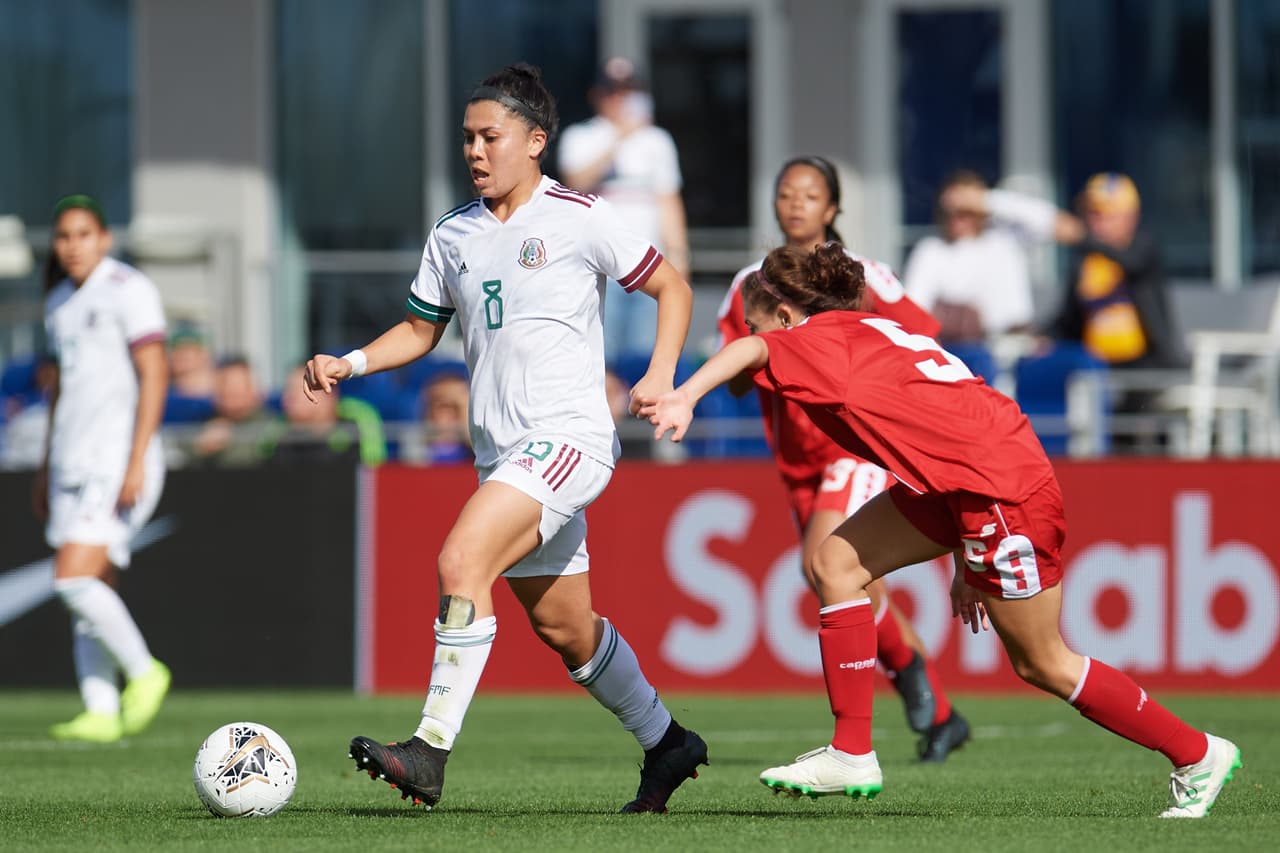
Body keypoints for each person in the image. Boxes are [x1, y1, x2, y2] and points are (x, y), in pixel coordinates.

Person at [641, 242, 1241, 818]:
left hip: (1000, 493)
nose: (753, 333)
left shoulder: (813, 338)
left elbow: (752, 354)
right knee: (836, 564)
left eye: (755, 321)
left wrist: (684, 395)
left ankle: (1197, 754)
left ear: (783, 313)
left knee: (1044, 663)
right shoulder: (871, 330)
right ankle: (852, 752)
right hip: (972, 481)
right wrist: (960, 551)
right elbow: (945, 426)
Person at [304, 63, 705, 813]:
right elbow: (422, 329)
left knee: (462, 557)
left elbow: (671, 287)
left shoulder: (580, 215)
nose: (476, 151)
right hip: (503, 452)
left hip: (569, 439)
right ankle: (667, 741)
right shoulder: (453, 233)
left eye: (491, 137)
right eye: (468, 138)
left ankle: (428, 750)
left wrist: (661, 375)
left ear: (535, 141)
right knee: (565, 627)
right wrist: (350, 361)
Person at [718, 155, 968, 761]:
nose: (796, 203)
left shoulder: (864, 276)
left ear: (831, 210)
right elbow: (735, 373)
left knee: (824, 566)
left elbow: (923, 337)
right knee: (849, 578)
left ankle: (868, 728)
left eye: (810, 194)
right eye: (786, 193)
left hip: (853, 448)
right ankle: (935, 708)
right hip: (797, 465)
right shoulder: (751, 283)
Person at [36, 194, 172, 743]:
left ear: (105, 238)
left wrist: (136, 458)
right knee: (91, 585)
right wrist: (46, 464)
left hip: (115, 460)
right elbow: (60, 390)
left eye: (83, 234)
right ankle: (99, 707)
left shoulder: (128, 289)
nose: (73, 246)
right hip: (70, 460)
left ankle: (144, 672)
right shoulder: (58, 301)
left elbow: (155, 374)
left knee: (71, 577)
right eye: (64, 236)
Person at [558, 56, 690, 361]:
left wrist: (680, 260)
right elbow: (574, 181)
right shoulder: (581, 136)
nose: (620, 98)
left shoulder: (657, 140)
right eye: (612, 90)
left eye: (628, 90)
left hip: (649, 264)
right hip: (597, 267)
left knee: (644, 356)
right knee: (600, 357)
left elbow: (669, 201)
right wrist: (621, 137)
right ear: (597, 95)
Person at [901, 170, 1047, 343]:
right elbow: (914, 306)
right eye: (948, 211)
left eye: (964, 211)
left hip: (1018, 342)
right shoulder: (931, 250)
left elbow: (1046, 222)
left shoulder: (1006, 240)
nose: (956, 217)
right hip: (963, 346)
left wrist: (985, 199)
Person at [263, 364, 387, 466]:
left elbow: (372, 474)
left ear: (330, 392)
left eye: (303, 388)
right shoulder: (276, 433)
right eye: (288, 389)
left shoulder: (357, 422)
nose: (290, 397)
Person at [186, 355, 273, 467]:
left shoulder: (271, 425)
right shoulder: (203, 423)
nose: (229, 392)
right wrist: (201, 448)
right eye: (223, 385)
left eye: (237, 386)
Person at [402, 371, 473, 465]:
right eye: (444, 407)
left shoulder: (479, 448)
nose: (450, 415)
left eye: (457, 408)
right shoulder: (416, 443)